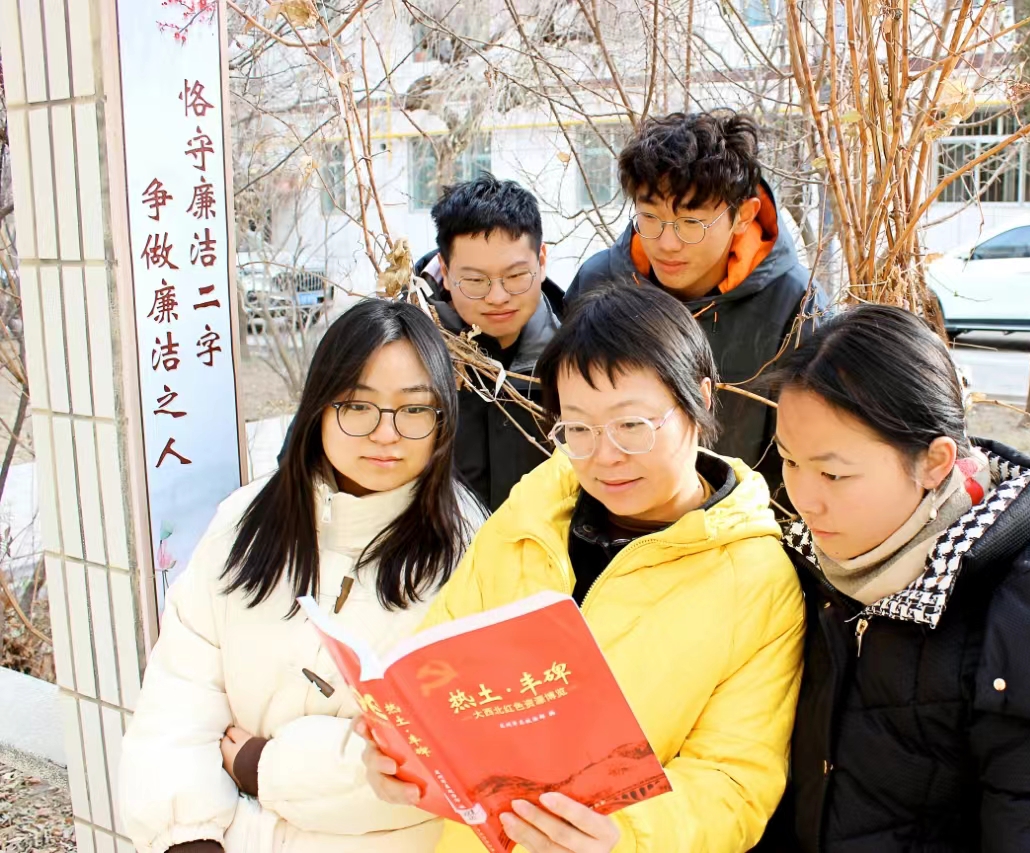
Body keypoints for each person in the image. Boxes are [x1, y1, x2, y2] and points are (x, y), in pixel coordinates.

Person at [362, 283, 805, 853]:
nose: (605, 456)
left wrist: (622, 838)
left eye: (632, 425)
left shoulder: (756, 578)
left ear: (699, 400)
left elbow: (735, 781)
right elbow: (439, 659)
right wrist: (405, 752)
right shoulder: (535, 510)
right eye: (577, 429)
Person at [755, 305, 1030, 853]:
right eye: (789, 461)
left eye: (833, 473)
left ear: (936, 462)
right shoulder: (813, 571)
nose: (803, 499)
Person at [120, 299, 485, 853]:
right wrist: (187, 837)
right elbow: (179, 698)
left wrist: (267, 765)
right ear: (319, 407)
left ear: (443, 420)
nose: (385, 433)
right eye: (358, 406)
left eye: (414, 409)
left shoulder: (472, 554)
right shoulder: (245, 523)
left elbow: (442, 760)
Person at [567, 111, 827, 503]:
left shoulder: (797, 306)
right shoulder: (599, 283)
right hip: (613, 515)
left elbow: (809, 452)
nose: (666, 244)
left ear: (743, 216)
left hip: (744, 522)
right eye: (650, 218)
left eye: (691, 223)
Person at [412, 172, 563, 511]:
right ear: (445, 272)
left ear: (541, 262)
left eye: (515, 276)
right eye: (475, 280)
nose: (497, 297)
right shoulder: (408, 357)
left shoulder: (574, 357)